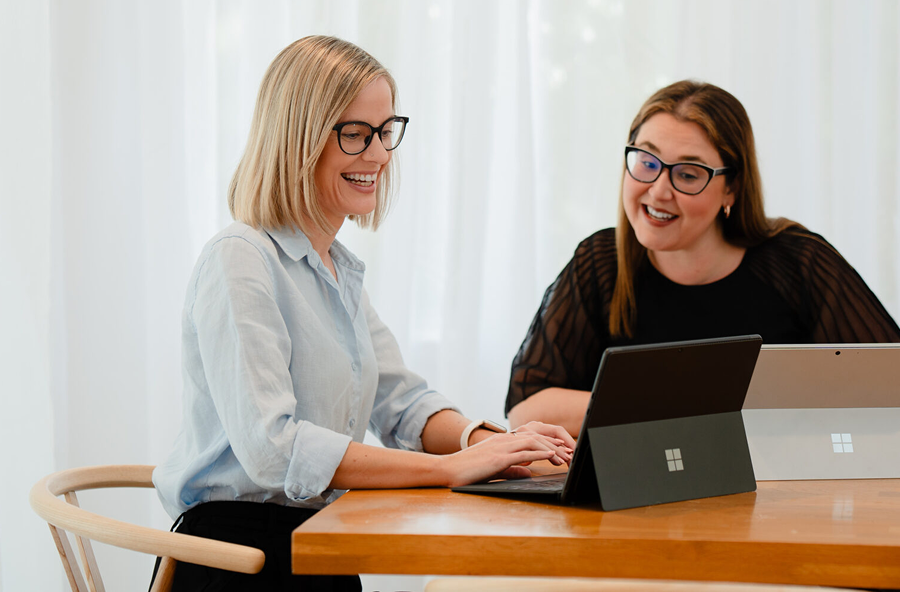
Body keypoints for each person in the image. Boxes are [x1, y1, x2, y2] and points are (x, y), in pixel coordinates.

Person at [153, 36, 575, 592]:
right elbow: (272, 451)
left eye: (385, 132)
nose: (378, 154)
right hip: (237, 558)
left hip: (317, 542)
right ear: (297, 138)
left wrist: (492, 447)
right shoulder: (241, 258)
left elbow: (403, 404)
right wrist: (448, 470)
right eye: (354, 133)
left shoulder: (336, 270)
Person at [506, 80, 900, 437]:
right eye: (646, 162)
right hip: (637, 502)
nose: (658, 191)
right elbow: (526, 411)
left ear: (731, 188)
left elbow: (890, 384)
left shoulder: (798, 262)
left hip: (778, 501)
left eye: (689, 174)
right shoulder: (599, 262)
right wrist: (685, 398)